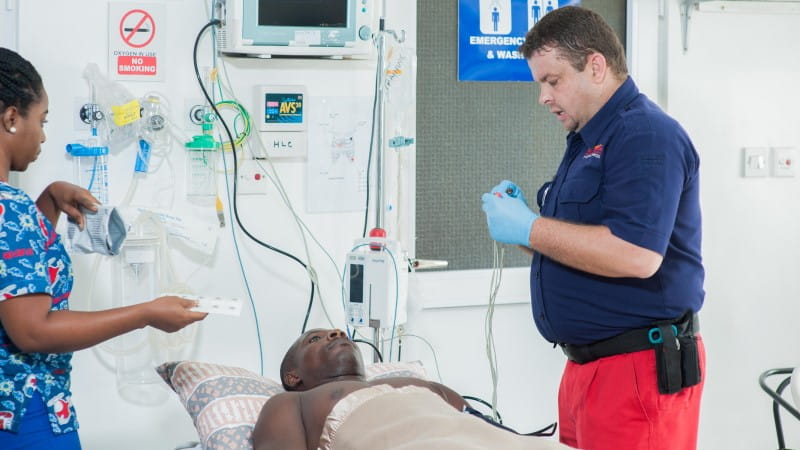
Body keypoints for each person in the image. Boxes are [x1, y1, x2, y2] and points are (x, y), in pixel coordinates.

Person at [480, 6, 705, 450]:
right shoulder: (588, 141)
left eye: (552, 80)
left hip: (637, 370)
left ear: (596, 66)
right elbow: (584, 245)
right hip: (589, 370)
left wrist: (530, 228)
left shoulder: (644, 134)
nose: (543, 97)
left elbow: (636, 255)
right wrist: (526, 227)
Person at [0, 47, 207, 449]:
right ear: (10, 118)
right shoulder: (10, 209)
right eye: (41, 121)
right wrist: (146, 313)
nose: (43, 136)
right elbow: (33, 332)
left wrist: (47, 202)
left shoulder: (16, 210)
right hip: (26, 419)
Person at [253, 328, 570, 450]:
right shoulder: (292, 402)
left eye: (337, 332)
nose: (336, 332)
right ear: (293, 376)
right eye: (315, 339)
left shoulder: (418, 384)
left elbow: (482, 424)